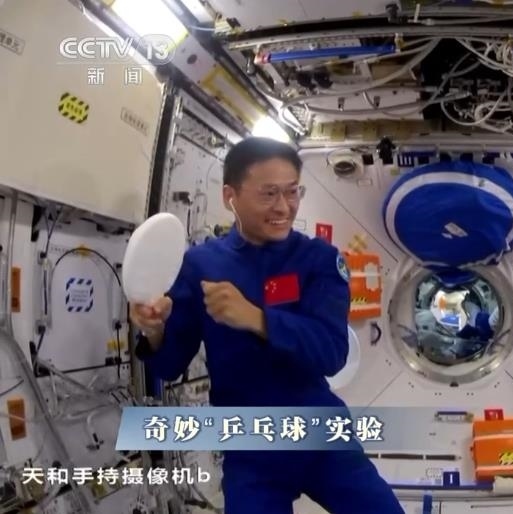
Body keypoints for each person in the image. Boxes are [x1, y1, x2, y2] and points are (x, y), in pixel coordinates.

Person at [129, 137, 405, 514]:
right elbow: (170, 365)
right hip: (250, 447)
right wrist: (154, 330)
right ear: (230, 196)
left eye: (292, 192)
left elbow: (332, 353)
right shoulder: (200, 265)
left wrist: (257, 318)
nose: (283, 207)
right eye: (269, 193)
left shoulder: (319, 260)